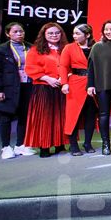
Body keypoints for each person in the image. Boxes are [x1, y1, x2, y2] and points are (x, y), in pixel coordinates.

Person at [0, 22, 35, 159]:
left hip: (27, 85)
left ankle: (20, 144)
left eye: (21, 31)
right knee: (6, 117)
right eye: (15, 32)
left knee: (24, 116)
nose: (19, 34)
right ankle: (6, 147)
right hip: (8, 87)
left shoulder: (31, 47)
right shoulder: (1, 50)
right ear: (7, 34)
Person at [24, 22, 68, 157]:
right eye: (50, 33)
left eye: (57, 33)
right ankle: (44, 147)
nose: (54, 35)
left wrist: (63, 78)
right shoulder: (35, 50)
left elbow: (70, 66)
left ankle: (60, 144)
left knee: (61, 117)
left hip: (61, 88)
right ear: (44, 35)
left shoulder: (66, 48)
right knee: (45, 119)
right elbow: (30, 67)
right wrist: (47, 78)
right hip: (43, 88)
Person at [87, 20, 111, 155]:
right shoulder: (97, 47)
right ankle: (106, 144)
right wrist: (90, 85)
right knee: (103, 115)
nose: (109, 32)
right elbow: (91, 68)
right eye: (106, 30)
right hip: (102, 85)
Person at [60, 23, 98, 156]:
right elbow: (63, 66)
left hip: (93, 84)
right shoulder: (69, 48)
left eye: (77, 33)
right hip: (75, 84)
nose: (74, 36)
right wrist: (64, 83)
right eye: (74, 33)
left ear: (87, 35)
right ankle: (73, 144)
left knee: (91, 115)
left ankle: (87, 143)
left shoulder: (96, 47)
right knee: (73, 115)